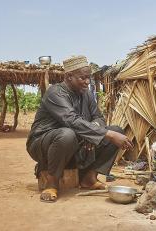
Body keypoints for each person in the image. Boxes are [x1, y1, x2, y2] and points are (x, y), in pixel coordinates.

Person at [26, 55, 133, 203]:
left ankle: (89, 178)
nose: (87, 82)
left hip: (75, 143)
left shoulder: (86, 94)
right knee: (67, 134)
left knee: (117, 130)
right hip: (44, 144)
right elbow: (71, 120)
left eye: (88, 77)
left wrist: (93, 133)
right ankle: (52, 183)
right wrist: (101, 134)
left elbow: (98, 118)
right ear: (69, 76)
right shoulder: (55, 93)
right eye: (83, 78)